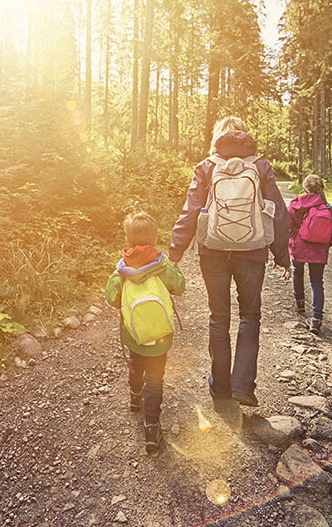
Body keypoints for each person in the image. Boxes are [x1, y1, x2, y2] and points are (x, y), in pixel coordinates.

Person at [169, 116, 290, 409]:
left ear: (217, 138)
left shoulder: (206, 167)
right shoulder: (260, 167)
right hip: (252, 251)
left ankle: (220, 388)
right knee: (250, 316)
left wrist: (174, 253)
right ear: (244, 137)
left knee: (218, 317)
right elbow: (278, 213)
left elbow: (190, 211)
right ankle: (243, 386)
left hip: (212, 251)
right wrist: (282, 256)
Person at [105, 211, 185, 454]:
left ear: (127, 240)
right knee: (156, 378)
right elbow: (179, 286)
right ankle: (151, 426)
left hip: (134, 334)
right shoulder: (162, 266)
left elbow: (111, 299)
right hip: (159, 336)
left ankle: (134, 396)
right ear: (154, 237)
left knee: (136, 362)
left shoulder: (121, 270)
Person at [288, 174, 332, 335]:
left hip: (299, 246)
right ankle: (316, 319)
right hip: (319, 249)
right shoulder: (329, 208)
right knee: (317, 283)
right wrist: (323, 245)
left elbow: (289, 226)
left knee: (298, 272)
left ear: (304, 188)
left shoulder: (296, 204)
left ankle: (300, 304)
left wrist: (291, 240)